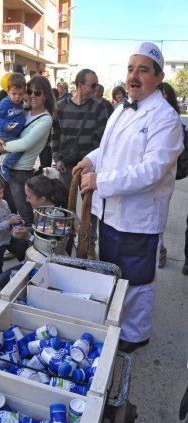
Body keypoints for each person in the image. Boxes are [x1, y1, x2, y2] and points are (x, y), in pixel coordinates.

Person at [74, 42, 184, 353]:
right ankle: (116, 325)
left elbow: (151, 170)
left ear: (159, 77)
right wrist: (92, 160)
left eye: (143, 70)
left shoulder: (166, 119)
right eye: (130, 69)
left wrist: (101, 180)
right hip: (111, 212)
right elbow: (111, 149)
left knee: (136, 280)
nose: (134, 75)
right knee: (113, 270)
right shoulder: (122, 108)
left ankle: (135, 336)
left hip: (139, 217)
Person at [51, 68, 108, 259]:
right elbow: (55, 134)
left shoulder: (99, 108)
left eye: (97, 85)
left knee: (90, 210)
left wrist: (94, 164)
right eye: (93, 85)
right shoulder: (61, 106)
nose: (96, 89)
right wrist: (56, 157)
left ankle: (89, 245)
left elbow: (103, 141)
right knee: (66, 207)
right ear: (79, 85)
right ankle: (66, 243)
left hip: (89, 168)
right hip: (66, 167)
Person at [0, 75, 55, 227]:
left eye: (37, 93)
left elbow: (25, 143)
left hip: (20, 173)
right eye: (30, 91)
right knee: (4, 211)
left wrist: (2, 147)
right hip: (3, 168)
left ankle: (27, 247)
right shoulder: (23, 110)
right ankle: (11, 244)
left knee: (25, 214)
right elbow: (3, 128)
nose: (32, 95)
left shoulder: (45, 119)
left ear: (45, 95)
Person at [0, 175, 69, 290]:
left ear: (42, 199)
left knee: (1, 281)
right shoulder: (44, 209)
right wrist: (24, 230)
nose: (26, 200)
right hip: (36, 252)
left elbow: (51, 249)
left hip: (47, 262)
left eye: (29, 197)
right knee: (8, 237)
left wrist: (27, 235)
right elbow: (39, 231)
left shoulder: (57, 218)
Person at [0, 73, 26, 182]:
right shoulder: (5, 103)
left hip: (12, 133)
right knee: (19, 149)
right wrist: (5, 125)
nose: (17, 97)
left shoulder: (21, 103)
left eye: (20, 94)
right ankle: (5, 166)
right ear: (8, 93)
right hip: (6, 133)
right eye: (14, 94)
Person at [157, 82, 181, 268]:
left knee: (158, 214)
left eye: (165, 94)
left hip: (163, 177)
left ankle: (160, 248)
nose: (162, 96)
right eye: (160, 93)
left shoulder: (172, 119)